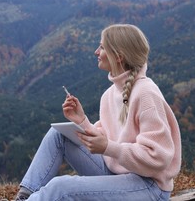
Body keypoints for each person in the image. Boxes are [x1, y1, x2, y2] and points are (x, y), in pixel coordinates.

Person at [14, 24, 182, 200]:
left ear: (118, 56)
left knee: (61, 187)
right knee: (58, 134)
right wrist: (82, 121)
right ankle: (25, 196)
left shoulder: (146, 93)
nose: (96, 52)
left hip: (149, 186)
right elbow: (106, 139)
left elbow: (158, 158)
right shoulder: (109, 94)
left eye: (102, 47)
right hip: (116, 172)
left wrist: (110, 148)